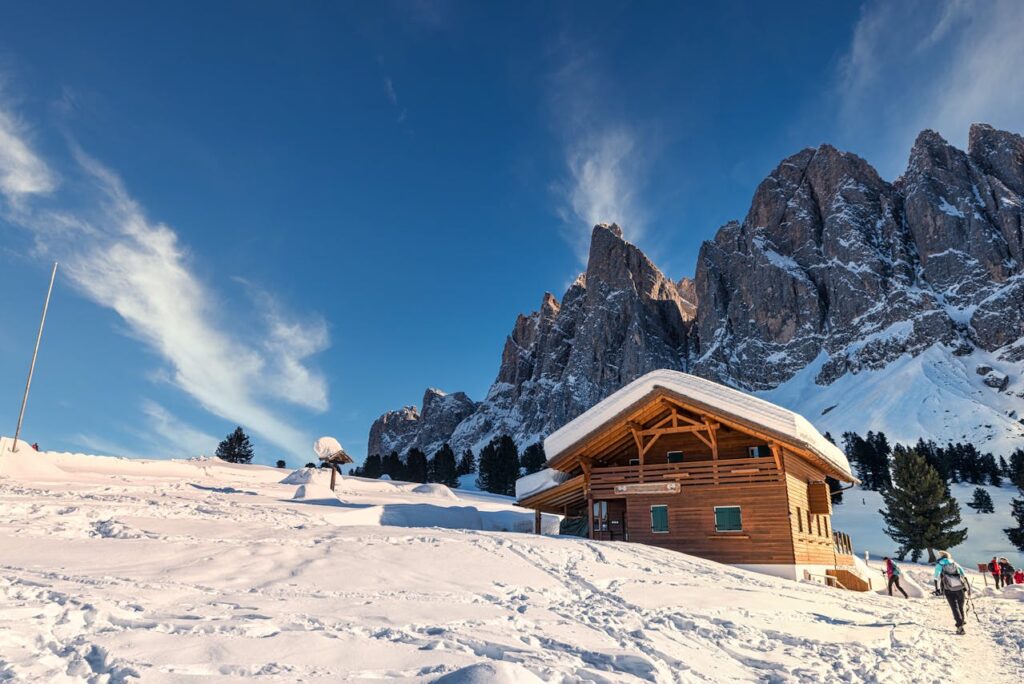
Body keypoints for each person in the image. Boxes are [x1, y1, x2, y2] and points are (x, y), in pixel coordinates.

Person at [934, 551, 969, 635]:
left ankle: (960, 626)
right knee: (960, 607)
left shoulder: (940, 565)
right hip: (960, 588)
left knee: (954, 607)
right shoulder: (955, 563)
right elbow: (963, 575)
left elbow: (936, 577)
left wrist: (937, 589)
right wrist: (967, 588)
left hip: (948, 589)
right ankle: (961, 622)